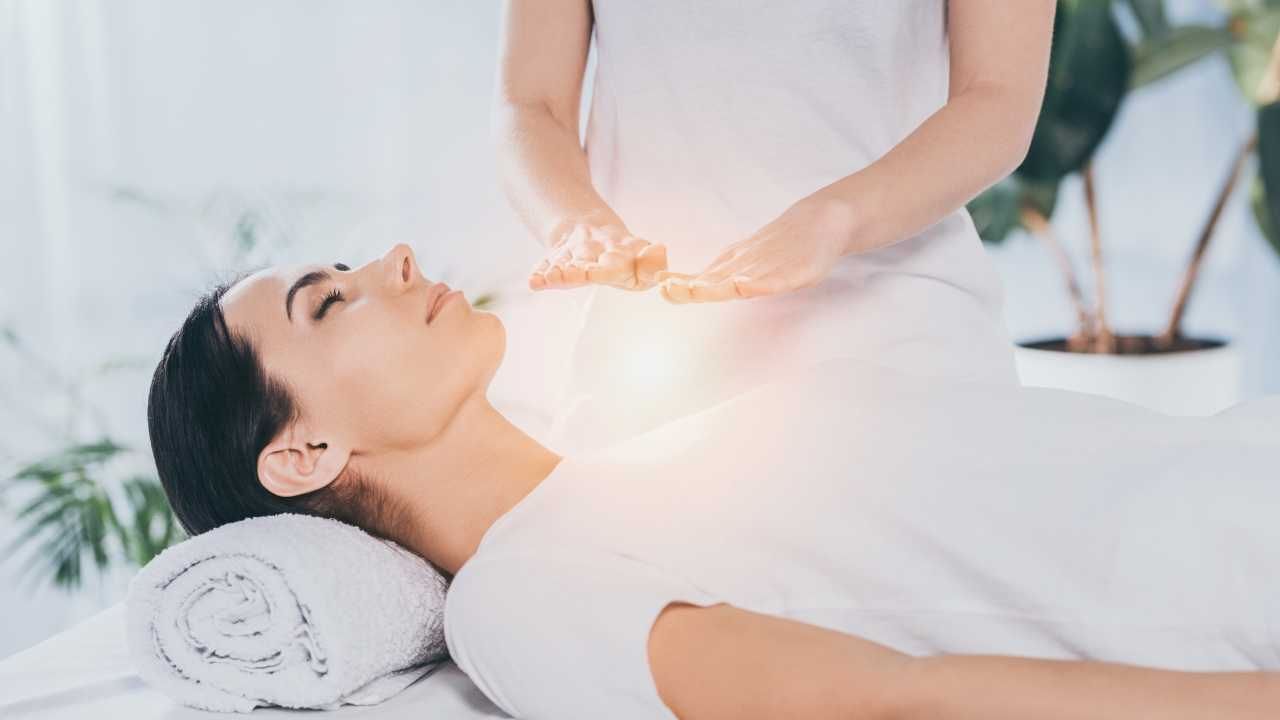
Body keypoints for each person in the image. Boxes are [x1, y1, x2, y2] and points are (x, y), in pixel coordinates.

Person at [147, 243, 1280, 720]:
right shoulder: (515, 596)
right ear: (302, 456)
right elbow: (895, 699)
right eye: (329, 301)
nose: (393, 258)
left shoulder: (633, 451)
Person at [493, 0, 1056, 456]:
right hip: (651, 362)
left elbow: (997, 98)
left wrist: (836, 217)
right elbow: (532, 105)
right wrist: (578, 226)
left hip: (902, 339)